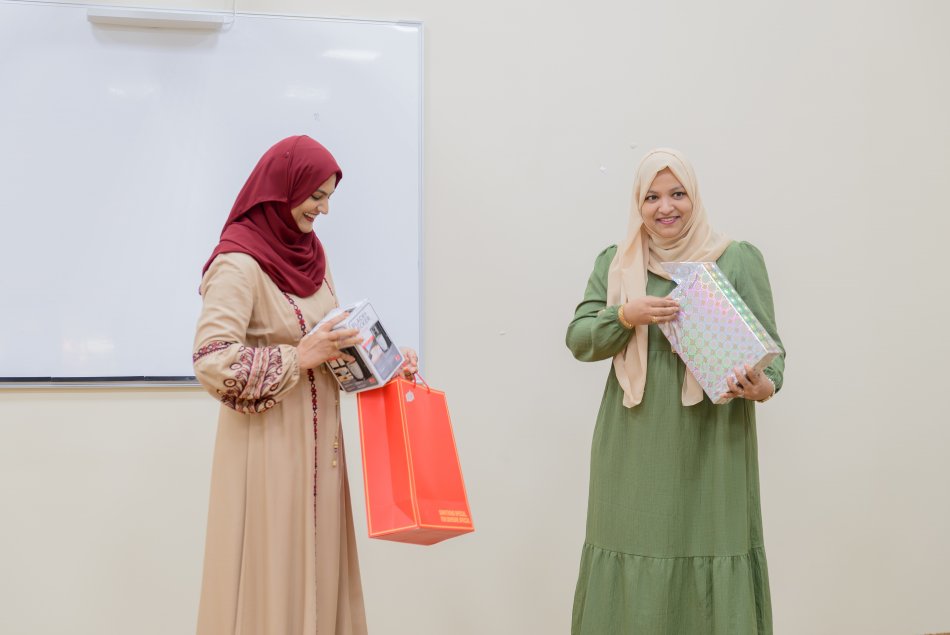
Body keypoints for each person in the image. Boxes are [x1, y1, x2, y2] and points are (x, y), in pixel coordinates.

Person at [192, 135, 418, 635]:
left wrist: (386, 361)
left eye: (330, 196)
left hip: (322, 452)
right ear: (281, 190)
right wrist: (298, 357)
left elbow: (331, 342)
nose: (324, 209)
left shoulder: (312, 256)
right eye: (316, 195)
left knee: (319, 571)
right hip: (268, 454)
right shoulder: (237, 263)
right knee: (272, 570)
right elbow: (211, 361)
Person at [566, 148, 784, 634]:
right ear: (637, 205)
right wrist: (626, 315)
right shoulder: (618, 263)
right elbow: (579, 340)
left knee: (712, 545)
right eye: (652, 197)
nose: (666, 207)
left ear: (694, 197)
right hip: (634, 437)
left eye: (678, 193)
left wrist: (762, 386)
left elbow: (774, 356)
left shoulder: (736, 258)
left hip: (714, 442)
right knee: (632, 545)